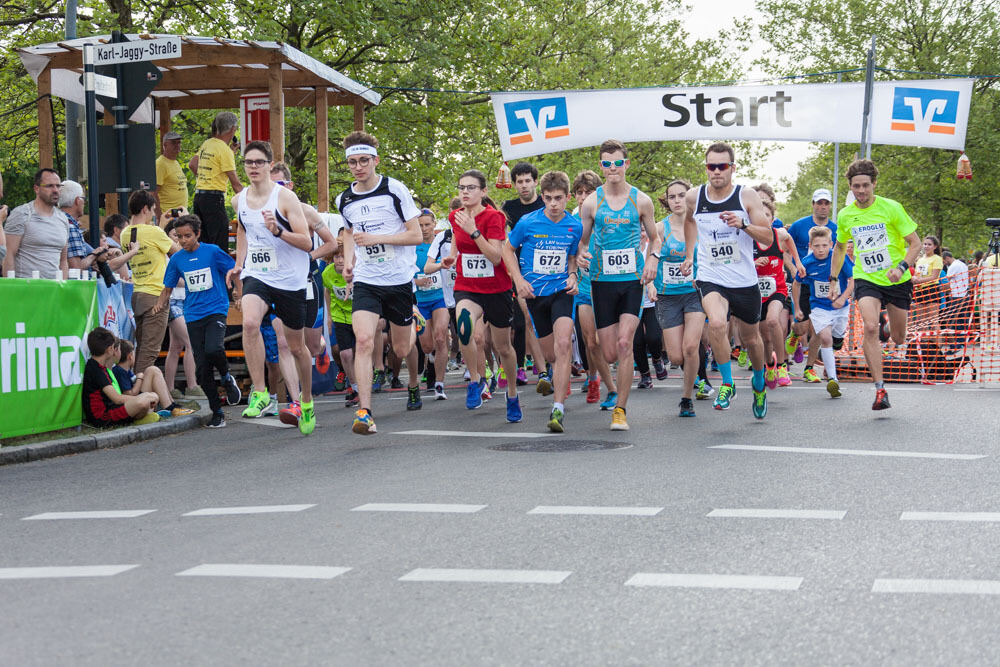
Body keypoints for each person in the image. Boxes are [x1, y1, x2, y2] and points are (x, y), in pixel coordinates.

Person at [225, 140, 317, 435]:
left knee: (296, 347)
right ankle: (261, 392)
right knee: (250, 323)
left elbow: (307, 242)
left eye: (258, 162)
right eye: (248, 163)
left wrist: (278, 230)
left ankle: (306, 400)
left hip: (289, 279)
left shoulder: (285, 198)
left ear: (268, 164)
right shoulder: (238, 200)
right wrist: (240, 263)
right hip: (258, 274)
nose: (252, 167)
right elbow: (242, 229)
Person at [335, 131, 424, 435]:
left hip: (398, 279)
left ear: (375, 160)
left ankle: (412, 321)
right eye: (352, 162)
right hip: (367, 279)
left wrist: (377, 238)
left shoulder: (394, 190)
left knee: (400, 349)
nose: (358, 167)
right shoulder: (344, 198)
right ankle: (365, 411)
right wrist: (349, 261)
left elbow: (417, 235)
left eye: (363, 161)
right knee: (364, 340)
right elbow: (348, 232)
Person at [681, 142, 775, 419]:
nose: (717, 171)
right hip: (711, 276)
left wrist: (743, 225)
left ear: (732, 168)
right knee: (718, 324)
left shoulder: (746, 197)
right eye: (712, 166)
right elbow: (689, 222)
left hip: (744, 281)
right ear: (706, 168)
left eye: (722, 166)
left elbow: (768, 238)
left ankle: (759, 385)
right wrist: (690, 254)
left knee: (752, 340)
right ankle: (727, 383)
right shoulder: (694, 197)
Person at [577, 139, 660, 431]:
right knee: (609, 351)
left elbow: (655, 237)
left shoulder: (641, 200)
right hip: (601, 282)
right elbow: (583, 242)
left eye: (617, 163)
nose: (613, 168)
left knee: (626, 343)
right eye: (606, 163)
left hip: (632, 280)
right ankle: (614, 388)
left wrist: (653, 259)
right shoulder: (591, 202)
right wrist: (580, 256)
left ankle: (620, 410)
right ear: (602, 166)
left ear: (626, 164)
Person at [830, 159, 921, 410]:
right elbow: (839, 247)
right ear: (850, 186)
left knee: (899, 338)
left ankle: (890, 327)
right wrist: (833, 279)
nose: (861, 191)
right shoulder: (846, 215)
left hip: (897, 279)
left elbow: (915, 243)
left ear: (874, 184)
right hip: (866, 277)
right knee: (869, 326)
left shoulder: (891, 208)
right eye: (856, 186)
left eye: (865, 186)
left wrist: (902, 267)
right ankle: (880, 389)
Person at [502, 170, 581, 432]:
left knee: (563, 344)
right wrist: (518, 280)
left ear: (568, 197)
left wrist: (572, 275)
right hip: (535, 294)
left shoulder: (574, 226)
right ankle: (556, 378)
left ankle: (557, 409)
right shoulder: (527, 222)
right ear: (543, 197)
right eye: (548, 198)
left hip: (561, 292)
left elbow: (572, 257)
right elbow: (507, 250)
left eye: (559, 198)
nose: (553, 204)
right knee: (550, 355)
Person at [443, 169, 522, 422]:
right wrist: (452, 256)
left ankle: (511, 394)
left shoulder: (494, 217)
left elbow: (496, 257)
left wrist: (474, 231)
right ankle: (475, 382)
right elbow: (458, 240)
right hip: (468, 285)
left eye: (471, 188)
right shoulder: (455, 215)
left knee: (503, 347)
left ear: (483, 191)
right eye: (461, 187)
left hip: (497, 288)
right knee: (464, 326)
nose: (465, 192)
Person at [154, 215, 240, 428]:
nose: (183, 241)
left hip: (216, 309)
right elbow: (168, 287)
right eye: (180, 237)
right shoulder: (176, 260)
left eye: (188, 236)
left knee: (214, 349)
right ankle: (217, 412)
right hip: (192, 314)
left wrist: (239, 292)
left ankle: (227, 377)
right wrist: (159, 304)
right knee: (202, 369)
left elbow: (234, 270)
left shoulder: (212, 252)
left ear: (198, 234)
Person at [269, 162, 338, 426]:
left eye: (279, 184)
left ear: (290, 185)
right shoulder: (260, 213)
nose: (274, 190)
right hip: (277, 281)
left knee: (310, 345)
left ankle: (319, 348)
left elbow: (332, 243)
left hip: (307, 281)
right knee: (284, 342)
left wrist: (309, 256)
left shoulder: (305, 211)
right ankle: (297, 401)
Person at [654, 179, 706, 416]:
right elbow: (651, 258)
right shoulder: (660, 228)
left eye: (682, 195)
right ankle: (695, 377)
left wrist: (701, 274)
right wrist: (650, 286)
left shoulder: (701, 225)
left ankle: (687, 397)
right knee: (675, 355)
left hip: (694, 293)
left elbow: (708, 256)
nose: (677, 200)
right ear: (667, 200)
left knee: (690, 347)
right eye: (672, 196)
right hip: (667, 295)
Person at [570, 170, 617, 408]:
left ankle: (602, 378)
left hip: (608, 284)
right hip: (583, 286)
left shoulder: (607, 215)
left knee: (605, 341)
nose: (583, 196)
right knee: (591, 341)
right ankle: (604, 384)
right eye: (579, 192)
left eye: (588, 192)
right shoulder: (570, 220)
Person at [122, 190, 179, 374]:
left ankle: (142, 390)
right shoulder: (154, 232)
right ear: (145, 208)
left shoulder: (125, 233)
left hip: (138, 293)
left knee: (142, 347)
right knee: (150, 351)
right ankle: (142, 394)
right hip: (156, 295)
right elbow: (178, 253)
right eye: (153, 209)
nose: (155, 214)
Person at [501, 161, 547, 387]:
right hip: (520, 271)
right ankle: (536, 370)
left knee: (543, 320)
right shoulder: (508, 208)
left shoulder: (546, 203)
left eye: (528, 180)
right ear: (514, 184)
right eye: (519, 182)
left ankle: (548, 364)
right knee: (525, 320)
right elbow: (503, 241)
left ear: (535, 182)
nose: (524, 185)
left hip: (548, 271)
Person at [793, 226, 853, 398]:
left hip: (840, 306)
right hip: (819, 306)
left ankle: (837, 342)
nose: (821, 250)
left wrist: (843, 298)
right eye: (817, 246)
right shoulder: (807, 262)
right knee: (825, 337)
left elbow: (852, 280)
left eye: (824, 246)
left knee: (837, 340)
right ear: (811, 245)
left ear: (831, 244)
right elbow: (797, 284)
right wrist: (797, 307)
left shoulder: (839, 258)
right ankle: (833, 380)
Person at [786, 188, 837, 374]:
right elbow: (784, 250)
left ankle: (809, 367)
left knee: (819, 327)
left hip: (823, 285)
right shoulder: (799, 226)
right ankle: (794, 335)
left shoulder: (836, 229)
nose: (823, 207)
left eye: (826, 203)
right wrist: (793, 268)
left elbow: (840, 256)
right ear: (813, 205)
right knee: (801, 327)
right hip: (803, 282)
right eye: (819, 203)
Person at [754, 199, 804, 388]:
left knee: (773, 321)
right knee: (765, 337)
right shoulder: (748, 238)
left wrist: (797, 262)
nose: (762, 218)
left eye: (767, 215)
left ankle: (782, 365)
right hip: (756, 294)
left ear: (772, 218)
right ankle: (770, 365)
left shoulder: (779, 234)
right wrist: (753, 264)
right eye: (759, 215)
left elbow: (789, 240)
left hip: (778, 290)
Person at [82, 327, 159, 427]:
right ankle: (141, 416)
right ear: (110, 349)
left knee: (150, 396)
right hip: (102, 417)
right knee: (144, 401)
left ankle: (142, 415)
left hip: (110, 409)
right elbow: (117, 399)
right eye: (114, 347)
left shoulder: (99, 366)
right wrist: (139, 399)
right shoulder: (95, 369)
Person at [160, 220, 203, 400]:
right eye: (176, 236)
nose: (180, 240)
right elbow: (171, 280)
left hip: (187, 301)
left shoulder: (188, 254)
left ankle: (170, 388)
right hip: (173, 302)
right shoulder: (167, 257)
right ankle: (192, 385)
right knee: (191, 341)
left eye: (185, 236)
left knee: (175, 346)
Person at [189, 112, 243, 251]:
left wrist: (206, 178)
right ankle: (220, 273)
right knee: (219, 243)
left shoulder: (208, 143)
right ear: (232, 129)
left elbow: (193, 164)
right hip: (214, 199)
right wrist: (252, 202)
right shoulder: (224, 150)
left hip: (199, 197)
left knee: (204, 243)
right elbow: (236, 184)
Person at [2, 168, 68, 279]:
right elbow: (8, 254)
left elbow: (63, 260)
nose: (55, 190)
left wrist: (64, 287)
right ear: (36, 189)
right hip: (27, 289)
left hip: (55, 291)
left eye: (58, 186)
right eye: (50, 186)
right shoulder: (22, 214)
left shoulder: (63, 219)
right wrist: (12, 289)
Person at [415, 209, 451, 400]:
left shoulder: (442, 244)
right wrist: (415, 281)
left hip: (441, 297)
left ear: (434, 224)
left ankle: (439, 384)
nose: (424, 229)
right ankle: (431, 358)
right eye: (420, 225)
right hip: (422, 301)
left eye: (427, 224)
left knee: (440, 337)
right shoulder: (412, 247)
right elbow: (403, 272)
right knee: (427, 346)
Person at [111, 339, 196, 418]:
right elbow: (130, 394)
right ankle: (170, 407)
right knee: (152, 370)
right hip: (133, 405)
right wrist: (139, 379)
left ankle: (172, 405)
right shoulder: (119, 371)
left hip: (137, 401)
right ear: (130, 356)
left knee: (153, 370)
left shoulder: (126, 370)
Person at [322, 246, 359, 407]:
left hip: (358, 314)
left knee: (359, 353)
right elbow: (327, 292)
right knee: (345, 354)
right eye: (336, 257)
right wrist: (329, 316)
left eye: (343, 256)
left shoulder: (358, 271)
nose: (340, 260)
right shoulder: (327, 273)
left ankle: (362, 382)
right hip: (340, 316)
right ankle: (355, 387)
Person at [57, 180, 95, 270]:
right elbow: (76, 268)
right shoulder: (70, 227)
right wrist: (94, 255)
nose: (84, 203)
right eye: (84, 199)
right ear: (78, 200)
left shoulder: (57, 221)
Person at [155, 131, 189, 222]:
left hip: (180, 215)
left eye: (179, 142)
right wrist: (159, 216)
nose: (177, 145)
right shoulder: (160, 164)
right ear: (165, 145)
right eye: (173, 143)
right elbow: (153, 192)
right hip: (168, 216)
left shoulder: (175, 162)